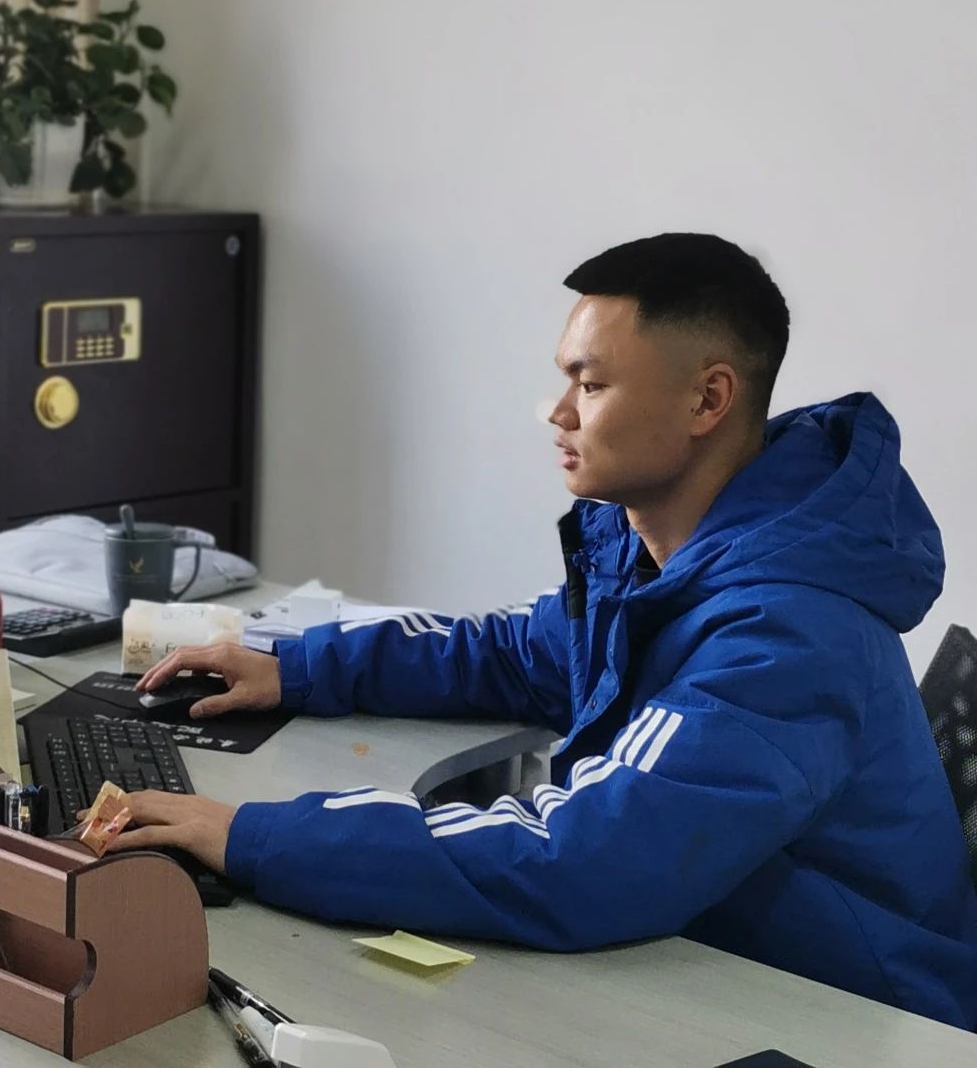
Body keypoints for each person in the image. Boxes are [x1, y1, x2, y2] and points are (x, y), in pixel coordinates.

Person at [108, 232, 977, 1029]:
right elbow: (515, 654)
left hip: (846, 1018)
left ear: (708, 399)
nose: (557, 412)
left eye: (590, 385)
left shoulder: (790, 632)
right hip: (708, 961)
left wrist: (254, 836)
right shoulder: (657, 553)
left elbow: (585, 858)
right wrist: (297, 669)